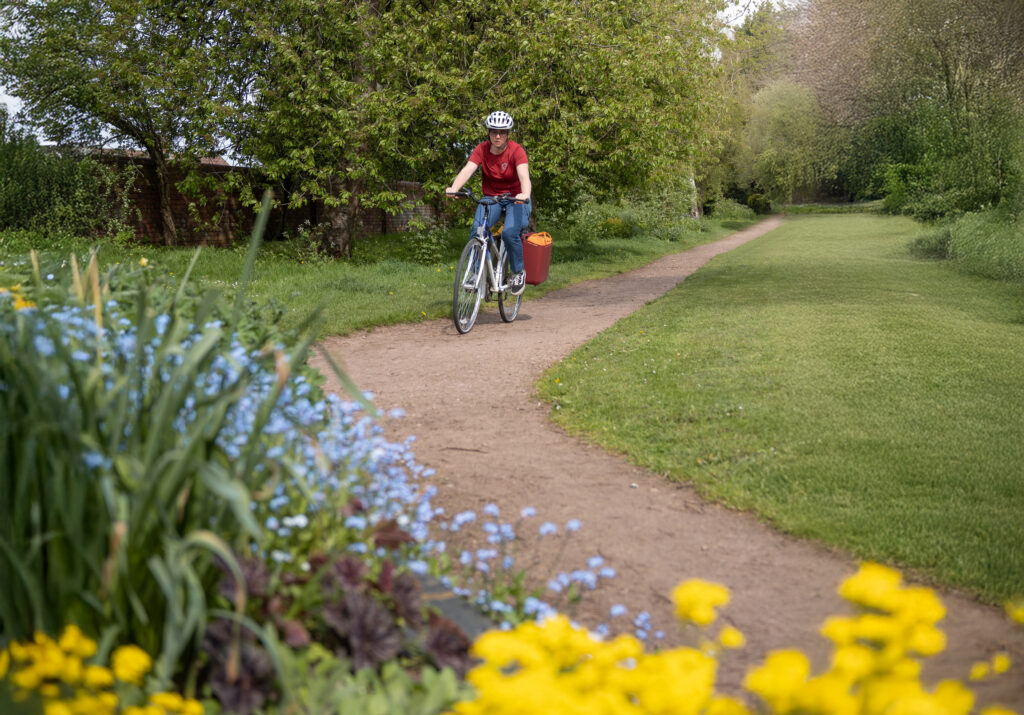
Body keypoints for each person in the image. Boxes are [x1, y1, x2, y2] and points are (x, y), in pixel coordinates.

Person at [445, 110, 532, 296]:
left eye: (501, 132)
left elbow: (524, 176)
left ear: (508, 134)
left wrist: (525, 194)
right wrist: (454, 187)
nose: (497, 136)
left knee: (509, 232)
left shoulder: (516, 150)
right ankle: (474, 273)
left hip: (516, 199)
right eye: (493, 132)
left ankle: (518, 273)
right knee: (478, 230)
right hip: (492, 198)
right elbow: (468, 169)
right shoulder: (482, 149)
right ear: (489, 133)